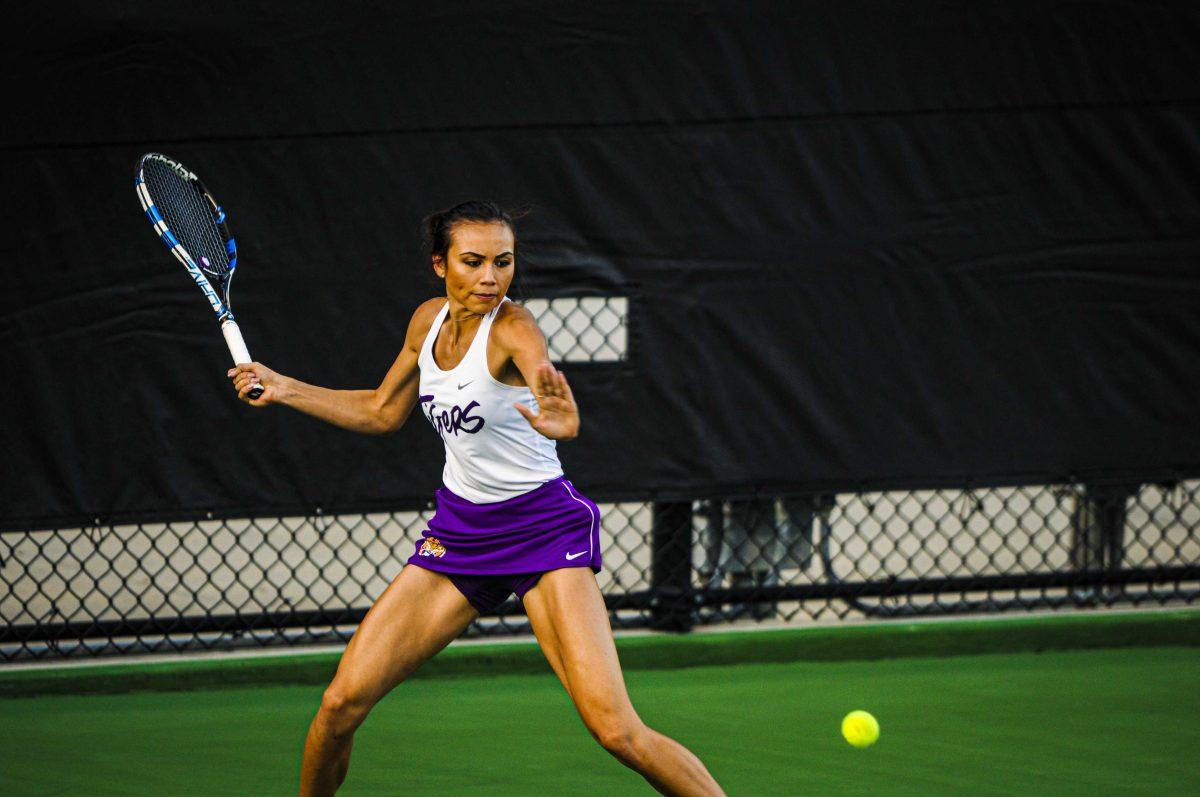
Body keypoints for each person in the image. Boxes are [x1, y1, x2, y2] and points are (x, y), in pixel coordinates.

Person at [228, 201, 725, 797]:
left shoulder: (514, 328)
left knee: (616, 731)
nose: (491, 277)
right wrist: (284, 387)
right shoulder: (426, 322)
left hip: (543, 532)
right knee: (339, 705)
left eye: (503, 262)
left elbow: (544, 381)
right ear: (441, 264)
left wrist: (562, 418)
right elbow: (384, 411)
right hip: (460, 534)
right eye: (473, 262)